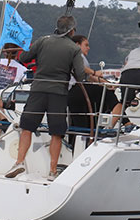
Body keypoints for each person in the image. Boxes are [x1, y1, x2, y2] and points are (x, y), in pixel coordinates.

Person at [5, 15, 85, 181]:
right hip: (58, 93)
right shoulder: (74, 49)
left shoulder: (42, 41)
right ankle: (52, 171)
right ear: (71, 30)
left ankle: (19, 162)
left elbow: (23, 58)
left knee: (27, 128)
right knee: (57, 133)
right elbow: (80, 75)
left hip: (38, 90)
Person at [67, 35, 122, 131]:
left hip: (73, 92)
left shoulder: (78, 57)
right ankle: (124, 122)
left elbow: (90, 77)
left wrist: (107, 83)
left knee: (81, 122)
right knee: (108, 96)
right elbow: (82, 69)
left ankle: (80, 142)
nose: (88, 48)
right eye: (86, 45)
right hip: (77, 89)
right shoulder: (77, 55)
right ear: (77, 45)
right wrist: (95, 72)